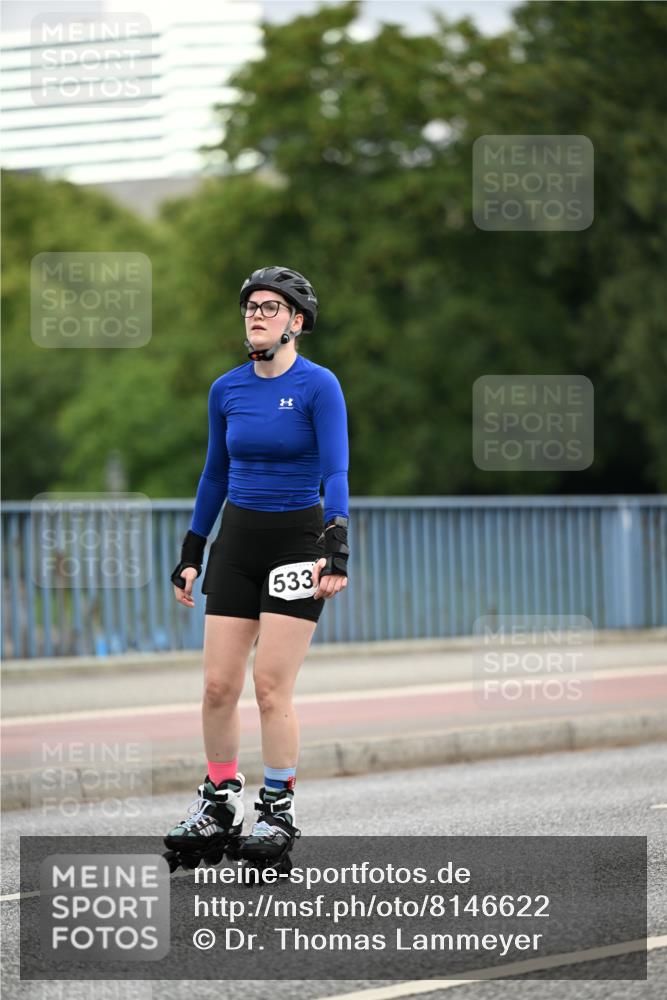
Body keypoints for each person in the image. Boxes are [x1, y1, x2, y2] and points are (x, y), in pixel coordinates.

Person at [164, 266, 349, 870]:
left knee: (271, 687)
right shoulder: (227, 389)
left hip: (297, 540)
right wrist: (193, 550)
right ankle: (219, 803)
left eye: (272, 307)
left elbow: (336, 472)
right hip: (238, 542)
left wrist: (335, 542)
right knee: (218, 685)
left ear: (297, 323)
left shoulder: (320, 386)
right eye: (251, 306)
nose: (257, 315)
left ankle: (276, 810)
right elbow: (215, 472)